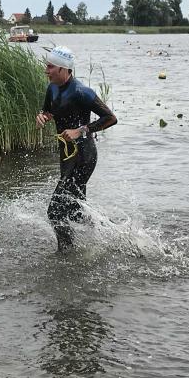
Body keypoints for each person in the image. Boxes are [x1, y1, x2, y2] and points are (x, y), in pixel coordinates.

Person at [35, 46, 117, 252]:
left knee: (55, 210)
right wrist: (42, 116)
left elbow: (110, 118)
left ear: (63, 69)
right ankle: (112, 233)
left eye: (50, 66)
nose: (46, 70)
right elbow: (48, 111)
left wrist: (80, 131)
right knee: (74, 209)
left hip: (84, 156)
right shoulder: (52, 88)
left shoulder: (82, 92)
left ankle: (66, 252)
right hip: (66, 156)